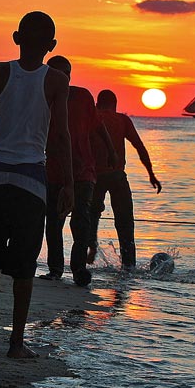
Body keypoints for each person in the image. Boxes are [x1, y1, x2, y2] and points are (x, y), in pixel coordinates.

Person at [0, 11, 74, 359]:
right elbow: (60, 135)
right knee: (24, 265)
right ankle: (16, 342)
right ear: (52, 46)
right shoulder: (56, 79)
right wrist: (67, 183)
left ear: (16, 38)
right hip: (30, 180)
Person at [38, 55, 115, 286]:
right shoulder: (43, 99)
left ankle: (79, 269)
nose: (63, 78)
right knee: (53, 221)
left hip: (83, 171)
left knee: (81, 222)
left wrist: (111, 151)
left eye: (66, 73)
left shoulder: (82, 96)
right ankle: (55, 268)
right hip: (53, 171)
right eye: (57, 73)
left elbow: (97, 126)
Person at [88, 89, 162, 270]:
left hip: (94, 177)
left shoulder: (92, 118)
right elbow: (139, 146)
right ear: (115, 105)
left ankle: (91, 247)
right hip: (117, 177)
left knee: (92, 215)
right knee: (125, 223)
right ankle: (129, 266)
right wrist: (151, 174)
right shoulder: (122, 120)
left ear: (98, 104)